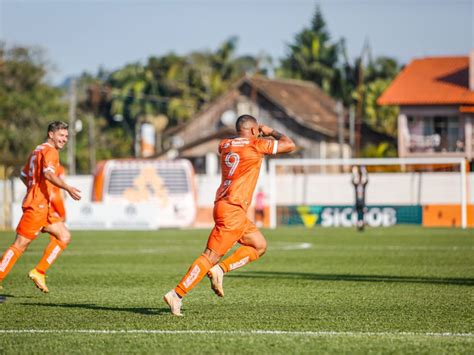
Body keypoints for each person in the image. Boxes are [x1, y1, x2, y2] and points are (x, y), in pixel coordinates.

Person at [163, 114, 295, 316]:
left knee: (259, 245)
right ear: (253, 130)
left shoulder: (224, 144)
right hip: (233, 209)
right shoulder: (256, 144)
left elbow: (237, 144)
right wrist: (270, 132)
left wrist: (253, 134)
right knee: (210, 257)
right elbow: (289, 144)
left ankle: (220, 270)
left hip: (227, 206)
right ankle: (177, 294)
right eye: (256, 130)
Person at [0, 121, 81, 293]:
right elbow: (48, 174)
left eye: (66, 136)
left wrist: (35, 188)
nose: (64, 139)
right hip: (37, 207)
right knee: (20, 244)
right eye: (61, 135)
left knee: (64, 236)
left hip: (44, 206)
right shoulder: (50, 151)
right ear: (51, 134)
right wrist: (67, 187)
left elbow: (23, 175)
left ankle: (39, 271)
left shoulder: (36, 150)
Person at [351, 165, 369, 231]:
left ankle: (362, 225)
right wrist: (354, 173)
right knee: (357, 214)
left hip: (362, 202)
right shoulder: (356, 186)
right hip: (357, 202)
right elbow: (352, 181)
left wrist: (364, 171)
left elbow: (367, 180)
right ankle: (358, 225)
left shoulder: (363, 186)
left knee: (363, 214)